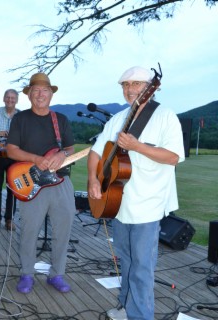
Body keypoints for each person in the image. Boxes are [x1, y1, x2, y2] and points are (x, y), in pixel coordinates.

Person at [87, 66, 185, 320]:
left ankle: (141, 316)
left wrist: (137, 146)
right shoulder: (117, 119)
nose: (130, 89)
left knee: (142, 267)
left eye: (136, 84)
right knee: (127, 261)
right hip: (118, 201)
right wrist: (92, 181)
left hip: (148, 203)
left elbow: (173, 156)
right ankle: (125, 306)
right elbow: (96, 152)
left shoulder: (165, 116)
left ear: (151, 88)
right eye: (125, 85)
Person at [6, 72, 75, 294]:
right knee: (28, 231)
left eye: (44, 90)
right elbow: (11, 150)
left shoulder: (60, 120)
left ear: (51, 94)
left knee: (62, 231)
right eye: (35, 90)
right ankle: (26, 273)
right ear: (29, 95)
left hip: (61, 181)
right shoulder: (20, 119)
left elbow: (70, 147)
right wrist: (36, 159)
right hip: (31, 184)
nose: (40, 94)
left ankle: (57, 274)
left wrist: (63, 154)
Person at [0, 89, 20, 231]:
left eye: (13, 98)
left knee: (13, 188)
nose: (10, 100)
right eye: (7, 97)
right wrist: (0, 136)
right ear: (3, 98)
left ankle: (9, 219)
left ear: (16, 100)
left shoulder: (21, 116)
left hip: (14, 155)